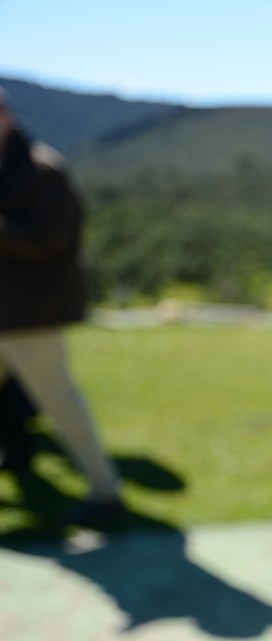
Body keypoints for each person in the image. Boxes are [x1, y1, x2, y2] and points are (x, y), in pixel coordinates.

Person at [0, 86, 123, 525]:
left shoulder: (42, 169)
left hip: (28, 314)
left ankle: (106, 491)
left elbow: (54, 240)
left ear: (6, 118)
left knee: (61, 404)